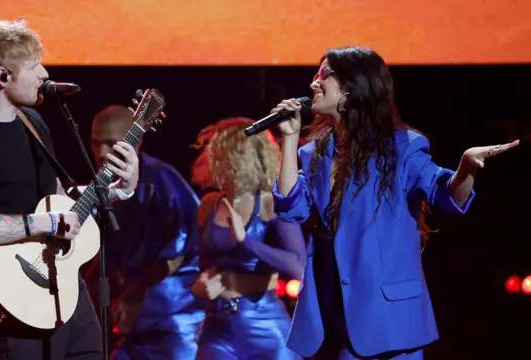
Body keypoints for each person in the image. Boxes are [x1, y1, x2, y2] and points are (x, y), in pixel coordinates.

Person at [270, 46, 520, 360]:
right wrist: (290, 140)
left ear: (351, 88)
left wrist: (466, 168)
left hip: (387, 321)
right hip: (333, 320)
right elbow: (291, 210)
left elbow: (445, 193)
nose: (313, 84)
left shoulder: (403, 148)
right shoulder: (314, 153)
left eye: (324, 75)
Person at [0, 19, 139, 360]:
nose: (44, 74)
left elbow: (58, 197)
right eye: (33, 67)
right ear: (3, 77)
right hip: (17, 297)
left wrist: (119, 190)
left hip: (63, 285)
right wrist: (44, 224)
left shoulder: (31, 122)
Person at [83, 105, 206, 359]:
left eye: (111, 143)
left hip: (174, 318)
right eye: (96, 144)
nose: (102, 153)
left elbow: (181, 249)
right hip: (133, 323)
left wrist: (136, 291)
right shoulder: (103, 185)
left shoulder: (161, 180)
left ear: (134, 142)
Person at [189, 117, 307, 360]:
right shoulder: (209, 205)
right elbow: (198, 266)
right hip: (217, 326)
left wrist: (247, 242)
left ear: (236, 158)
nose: (209, 160)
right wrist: (199, 285)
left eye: (216, 153)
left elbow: (299, 266)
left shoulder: (269, 203)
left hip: (264, 325)